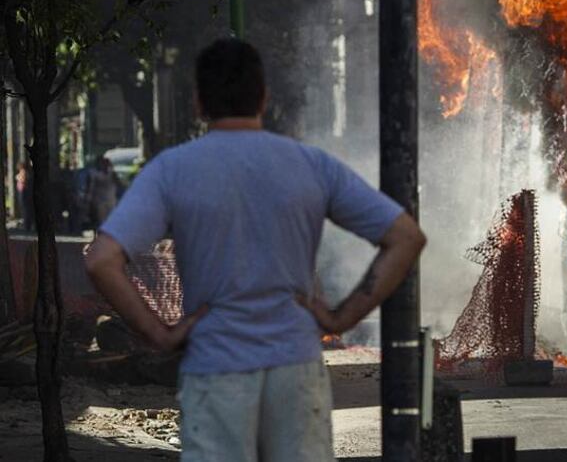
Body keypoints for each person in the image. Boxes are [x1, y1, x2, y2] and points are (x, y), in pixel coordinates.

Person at [84, 39, 426, 462]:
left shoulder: (172, 171)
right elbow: (406, 238)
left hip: (215, 369)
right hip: (296, 369)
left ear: (198, 103)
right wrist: (343, 316)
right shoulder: (310, 165)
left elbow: (101, 260)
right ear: (263, 96)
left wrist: (159, 333)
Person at [85, 156, 120, 228]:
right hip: (101, 201)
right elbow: (90, 188)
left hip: (109, 201)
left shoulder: (111, 174)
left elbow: (118, 185)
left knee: (107, 221)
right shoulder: (94, 174)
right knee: (103, 221)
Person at [15, 162, 33, 231]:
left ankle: (27, 225)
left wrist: (17, 177)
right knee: (24, 208)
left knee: (25, 208)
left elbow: (23, 179)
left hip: (23, 192)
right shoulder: (23, 172)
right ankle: (26, 224)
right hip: (22, 191)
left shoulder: (23, 172)